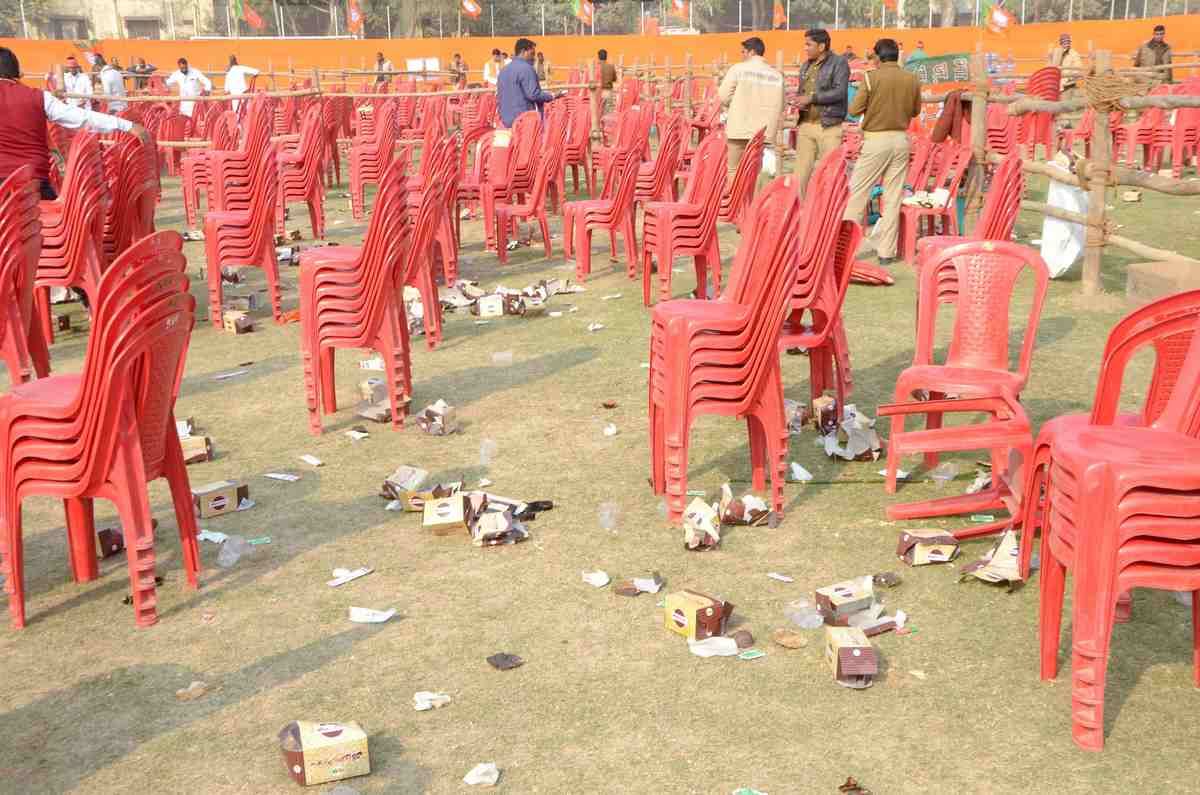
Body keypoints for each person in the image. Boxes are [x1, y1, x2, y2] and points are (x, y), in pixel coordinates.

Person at [0, 47, 143, 201]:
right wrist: (126, 125)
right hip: (34, 188)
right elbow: (81, 117)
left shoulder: (42, 96)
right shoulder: (39, 97)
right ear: (16, 72)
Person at [842, 38, 921, 266]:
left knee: (858, 194)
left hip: (876, 141)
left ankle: (844, 249)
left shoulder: (871, 78)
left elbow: (854, 110)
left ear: (878, 57)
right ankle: (886, 252)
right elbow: (915, 111)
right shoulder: (911, 78)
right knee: (893, 198)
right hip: (901, 140)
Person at [718, 37, 785, 186]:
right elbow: (781, 104)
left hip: (739, 128)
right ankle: (752, 199)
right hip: (762, 132)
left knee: (733, 169)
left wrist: (737, 104)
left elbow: (723, 96)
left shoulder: (738, 69)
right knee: (755, 172)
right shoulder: (776, 75)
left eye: (743, 52)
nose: (742, 55)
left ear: (752, 52)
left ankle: (734, 200)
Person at [793, 29, 850, 196]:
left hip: (828, 126)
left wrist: (811, 98)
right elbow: (803, 91)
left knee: (830, 173)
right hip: (806, 125)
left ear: (821, 46)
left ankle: (826, 208)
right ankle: (799, 209)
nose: (805, 48)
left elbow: (840, 92)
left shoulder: (839, 63)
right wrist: (799, 101)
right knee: (800, 174)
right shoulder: (806, 65)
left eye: (808, 44)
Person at [497, 38, 557, 128]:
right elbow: (533, 94)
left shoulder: (503, 70)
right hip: (523, 121)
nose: (534, 58)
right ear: (523, 51)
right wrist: (552, 96)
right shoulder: (526, 68)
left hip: (505, 121)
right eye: (532, 54)